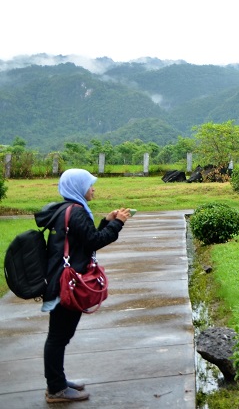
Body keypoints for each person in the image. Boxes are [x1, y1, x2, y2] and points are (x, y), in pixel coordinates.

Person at [34, 169, 131, 403]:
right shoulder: (76, 212)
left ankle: (58, 381)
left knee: (60, 336)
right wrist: (118, 224)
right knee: (58, 337)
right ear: (78, 187)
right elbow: (96, 241)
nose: (93, 189)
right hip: (66, 284)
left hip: (60, 279)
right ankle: (56, 389)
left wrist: (106, 221)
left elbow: (85, 240)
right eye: (89, 185)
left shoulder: (66, 209)